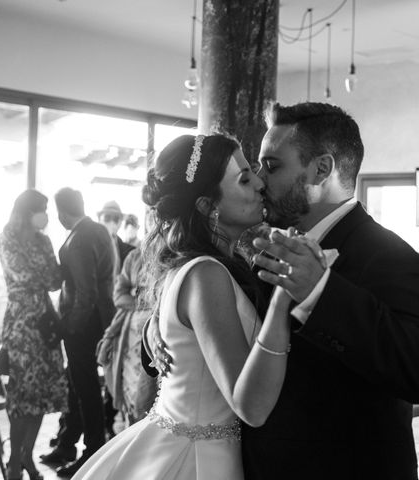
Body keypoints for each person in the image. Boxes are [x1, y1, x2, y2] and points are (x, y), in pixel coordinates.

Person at [72, 133, 301, 480]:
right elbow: (251, 407)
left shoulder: (207, 263)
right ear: (208, 206)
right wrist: (285, 297)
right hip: (195, 459)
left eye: (252, 170)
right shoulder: (207, 274)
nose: (259, 184)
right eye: (243, 178)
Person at [239, 101, 419, 479]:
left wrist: (321, 292)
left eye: (271, 166)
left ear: (322, 169)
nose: (258, 179)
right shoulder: (267, 245)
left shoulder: (390, 256)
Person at [45, 187, 116, 477]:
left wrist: (68, 327)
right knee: (79, 385)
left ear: (61, 213)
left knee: (84, 388)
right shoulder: (98, 230)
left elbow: (84, 293)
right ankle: (68, 443)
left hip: (83, 323)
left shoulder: (77, 240)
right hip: (100, 318)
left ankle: (92, 452)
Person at [0, 189, 67, 480]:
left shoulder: (44, 240)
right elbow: (23, 275)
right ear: (27, 211)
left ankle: (26, 455)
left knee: (40, 395)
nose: (46, 215)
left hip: (44, 323)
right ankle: (15, 459)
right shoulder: (7, 237)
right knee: (22, 394)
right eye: (42, 209)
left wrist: (41, 273)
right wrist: (43, 272)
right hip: (21, 323)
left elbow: (53, 281)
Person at [96, 247, 156, 423]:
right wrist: (144, 302)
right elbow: (119, 295)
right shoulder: (136, 256)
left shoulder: (176, 252)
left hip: (158, 331)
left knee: (152, 396)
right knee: (131, 390)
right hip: (131, 336)